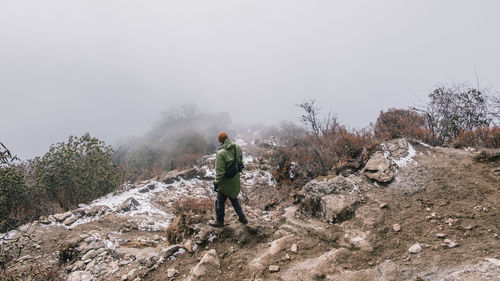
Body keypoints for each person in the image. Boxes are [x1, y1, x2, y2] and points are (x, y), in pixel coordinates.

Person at [208, 131, 248, 227]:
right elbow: (240, 164)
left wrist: (216, 183)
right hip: (235, 179)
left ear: (220, 141)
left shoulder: (221, 153)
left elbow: (220, 172)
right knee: (233, 197)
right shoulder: (237, 148)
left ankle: (219, 221)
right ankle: (242, 217)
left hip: (225, 182)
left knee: (219, 201)